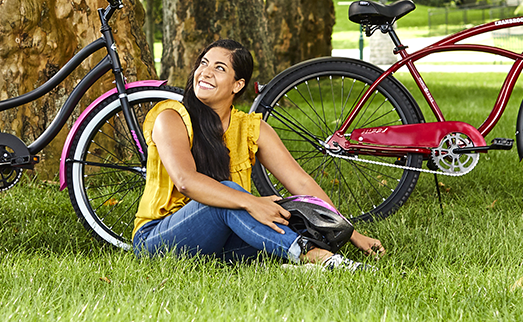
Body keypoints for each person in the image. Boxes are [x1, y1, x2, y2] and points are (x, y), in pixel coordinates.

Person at [133, 39, 384, 269]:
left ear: (237, 84)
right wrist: (252, 202)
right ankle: (316, 257)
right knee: (229, 196)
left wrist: (352, 233)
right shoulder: (171, 117)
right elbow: (185, 181)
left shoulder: (252, 128)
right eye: (204, 63)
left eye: (219, 68)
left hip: (222, 240)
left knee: (294, 214)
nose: (206, 72)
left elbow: (301, 182)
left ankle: (301, 260)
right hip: (158, 238)